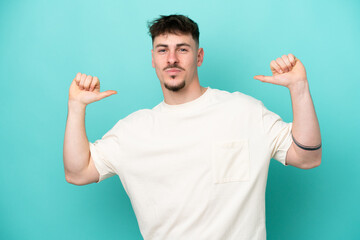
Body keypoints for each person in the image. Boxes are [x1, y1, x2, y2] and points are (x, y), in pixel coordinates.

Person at [63, 14, 321, 240]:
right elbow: (78, 172)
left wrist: (299, 89)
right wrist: (76, 107)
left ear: (199, 56)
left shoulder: (245, 111)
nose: (172, 59)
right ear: (153, 59)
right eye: (162, 50)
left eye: (183, 49)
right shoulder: (133, 130)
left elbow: (308, 157)